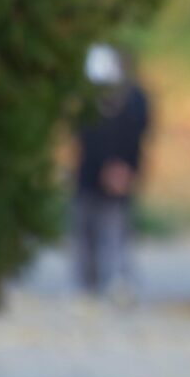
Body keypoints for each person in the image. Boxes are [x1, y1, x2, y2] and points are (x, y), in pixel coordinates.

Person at [72, 43, 151, 304]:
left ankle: (120, 282)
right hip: (88, 176)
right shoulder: (85, 102)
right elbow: (84, 138)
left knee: (117, 230)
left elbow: (138, 136)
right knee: (85, 233)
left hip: (120, 177)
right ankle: (87, 287)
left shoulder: (134, 101)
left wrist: (125, 169)